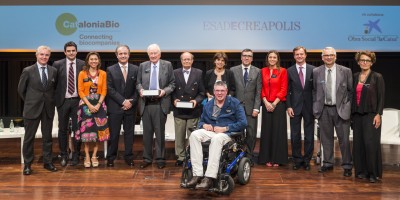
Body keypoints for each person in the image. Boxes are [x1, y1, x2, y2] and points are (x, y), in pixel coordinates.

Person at [186, 81, 247, 190]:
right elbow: (200, 122)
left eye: (222, 91)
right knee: (194, 135)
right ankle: (197, 174)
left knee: (217, 138)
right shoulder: (208, 104)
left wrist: (226, 128)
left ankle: (209, 177)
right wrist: (204, 125)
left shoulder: (234, 103)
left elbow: (243, 123)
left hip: (227, 133)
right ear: (213, 92)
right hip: (211, 131)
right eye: (217, 91)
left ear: (226, 92)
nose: (219, 93)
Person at [313, 47, 353, 177]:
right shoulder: (316, 71)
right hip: (324, 109)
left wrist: (347, 106)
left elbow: (350, 91)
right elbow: (314, 91)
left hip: (340, 110)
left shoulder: (346, 71)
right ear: (322, 57)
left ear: (335, 56)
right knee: (326, 139)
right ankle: (328, 163)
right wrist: (316, 107)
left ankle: (347, 165)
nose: (328, 57)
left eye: (331, 55)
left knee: (344, 140)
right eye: (326, 55)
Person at [18, 45, 58, 175]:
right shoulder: (28, 70)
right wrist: (31, 101)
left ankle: (48, 162)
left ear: (49, 56)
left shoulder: (53, 71)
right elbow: (21, 90)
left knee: (47, 138)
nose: (44, 57)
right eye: (41, 54)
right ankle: (28, 165)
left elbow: (54, 89)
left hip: (48, 109)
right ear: (36, 55)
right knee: (29, 138)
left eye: (46, 55)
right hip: (32, 109)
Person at [137, 44, 175, 169]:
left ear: (160, 54)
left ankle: (160, 158)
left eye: (155, 53)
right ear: (148, 54)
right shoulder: (143, 66)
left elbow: (172, 84)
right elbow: (138, 83)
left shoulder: (167, 65)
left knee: (159, 133)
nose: (153, 56)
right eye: (151, 53)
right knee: (147, 134)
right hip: (146, 104)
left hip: (160, 103)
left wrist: (164, 91)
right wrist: (141, 90)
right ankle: (147, 158)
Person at [351, 51, 385, 183]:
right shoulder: (355, 76)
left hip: (371, 115)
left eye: (367, 60)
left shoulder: (377, 77)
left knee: (370, 144)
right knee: (358, 144)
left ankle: (373, 173)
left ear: (372, 62)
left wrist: (379, 114)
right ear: (358, 62)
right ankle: (361, 171)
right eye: (362, 60)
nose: (364, 62)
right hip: (357, 115)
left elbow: (381, 97)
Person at [106, 45, 139, 167]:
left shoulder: (136, 69)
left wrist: (131, 102)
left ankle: (129, 157)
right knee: (114, 134)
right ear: (116, 55)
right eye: (120, 53)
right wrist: (123, 101)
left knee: (129, 133)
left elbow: (138, 88)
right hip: (115, 107)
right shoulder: (110, 69)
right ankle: (111, 157)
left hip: (131, 107)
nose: (123, 55)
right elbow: (110, 89)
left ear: (129, 55)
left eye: (125, 53)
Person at [53, 41, 85, 167]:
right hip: (63, 101)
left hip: (78, 101)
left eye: (73, 50)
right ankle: (64, 155)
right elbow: (53, 84)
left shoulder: (83, 64)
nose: (71, 53)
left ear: (76, 51)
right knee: (62, 129)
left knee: (78, 130)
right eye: (69, 51)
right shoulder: (57, 64)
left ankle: (76, 155)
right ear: (65, 52)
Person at [76, 52, 109, 168]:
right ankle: (87, 156)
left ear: (99, 61)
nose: (94, 61)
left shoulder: (103, 74)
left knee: (97, 132)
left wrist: (99, 103)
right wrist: (89, 105)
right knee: (86, 133)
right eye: (91, 59)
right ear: (88, 61)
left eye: (96, 59)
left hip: (99, 105)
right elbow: (80, 90)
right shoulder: (82, 73)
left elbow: (104, 90)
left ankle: (94, 155)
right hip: (85, 105)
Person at [172, 52, 205, 166]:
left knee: (192, 136)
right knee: (179, 135)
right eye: (184, 59)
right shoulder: (175, 73)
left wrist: (196, 101)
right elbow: (172, 90)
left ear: (192, 60)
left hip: (193, 110)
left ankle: (191, 156)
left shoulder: (199, 73)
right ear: (181, 61)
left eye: (188, 59)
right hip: (179, 110)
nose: (186, 61)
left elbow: (202, 92)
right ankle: (180, 157)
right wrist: (174, 99)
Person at [230, 48, 261, 166]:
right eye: (244, 55)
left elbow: (258, 92)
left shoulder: (257, 71)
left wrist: (256, 108)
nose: (246, 58)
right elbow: (232, 89)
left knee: (251, 134)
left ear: (252, 58)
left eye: (249, 56)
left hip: (251, 108)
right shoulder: (233, 70)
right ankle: (237, 157)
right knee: (236, 133)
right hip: (236, 108)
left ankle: (248, 157)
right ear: (241, 57)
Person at [286, 46, 315, 170]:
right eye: (297, 54)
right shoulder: (289, 71)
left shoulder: (314, 70)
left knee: (309, 135)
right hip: (295, 107)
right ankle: (297, 160)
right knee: (295, 135)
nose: (299, 56)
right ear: (294, 56)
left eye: (301, 54)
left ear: (305, 55)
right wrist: (288, 106)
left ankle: (307, 160)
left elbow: (316, 90)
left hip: (310, 107)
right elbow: (287, 91)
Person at [259, 50, 288, 167]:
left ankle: (277, 159)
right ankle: (266, 158)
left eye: (274, 57)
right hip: (266, 104)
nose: (272, 59)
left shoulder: (283, 71)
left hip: (278, 104)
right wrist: (266, 102)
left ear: (277, 59)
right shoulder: (262, 71)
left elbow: (283, 89)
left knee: (278, 132)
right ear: (267, 58)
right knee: (267, 132)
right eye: (270, 57)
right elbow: (260, 88)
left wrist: (274, 103)